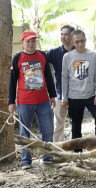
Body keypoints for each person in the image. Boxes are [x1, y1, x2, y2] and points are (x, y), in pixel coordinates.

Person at [8, 30, 56, 169]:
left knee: (47, 129)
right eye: (28, 41)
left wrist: (52, 96)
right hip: (24, 101)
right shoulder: (17, 58)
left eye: (33, 41)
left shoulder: (42, 55)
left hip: (43, 100)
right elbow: (12, 81)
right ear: (22, 42)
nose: (31, 43)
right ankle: (26, 160)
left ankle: (47, 157)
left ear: (36, 41)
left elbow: (48, 76)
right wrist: (11, 102)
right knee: (25, 131)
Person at [62, 30, 96, 149]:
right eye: (77, 42)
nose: (80, 44)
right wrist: (65, 98)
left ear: (85, 40)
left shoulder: (94, 55)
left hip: (91, 95)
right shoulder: (67, 56)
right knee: (76, 126)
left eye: (82, 41)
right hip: (74, 96)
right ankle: (77, 153)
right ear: (72, 42)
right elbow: (64, 77)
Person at [46, 24, 75, 142]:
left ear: (72, 36)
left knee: (76, 123)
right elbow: (40, 60)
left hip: (76, 94)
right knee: (58, 124)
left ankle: (75, 149)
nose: (63, 37)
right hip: (59, 94)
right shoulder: (54, 52)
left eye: (66, 34)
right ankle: (58, 149)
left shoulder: (79, 52)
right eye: (61, 34)